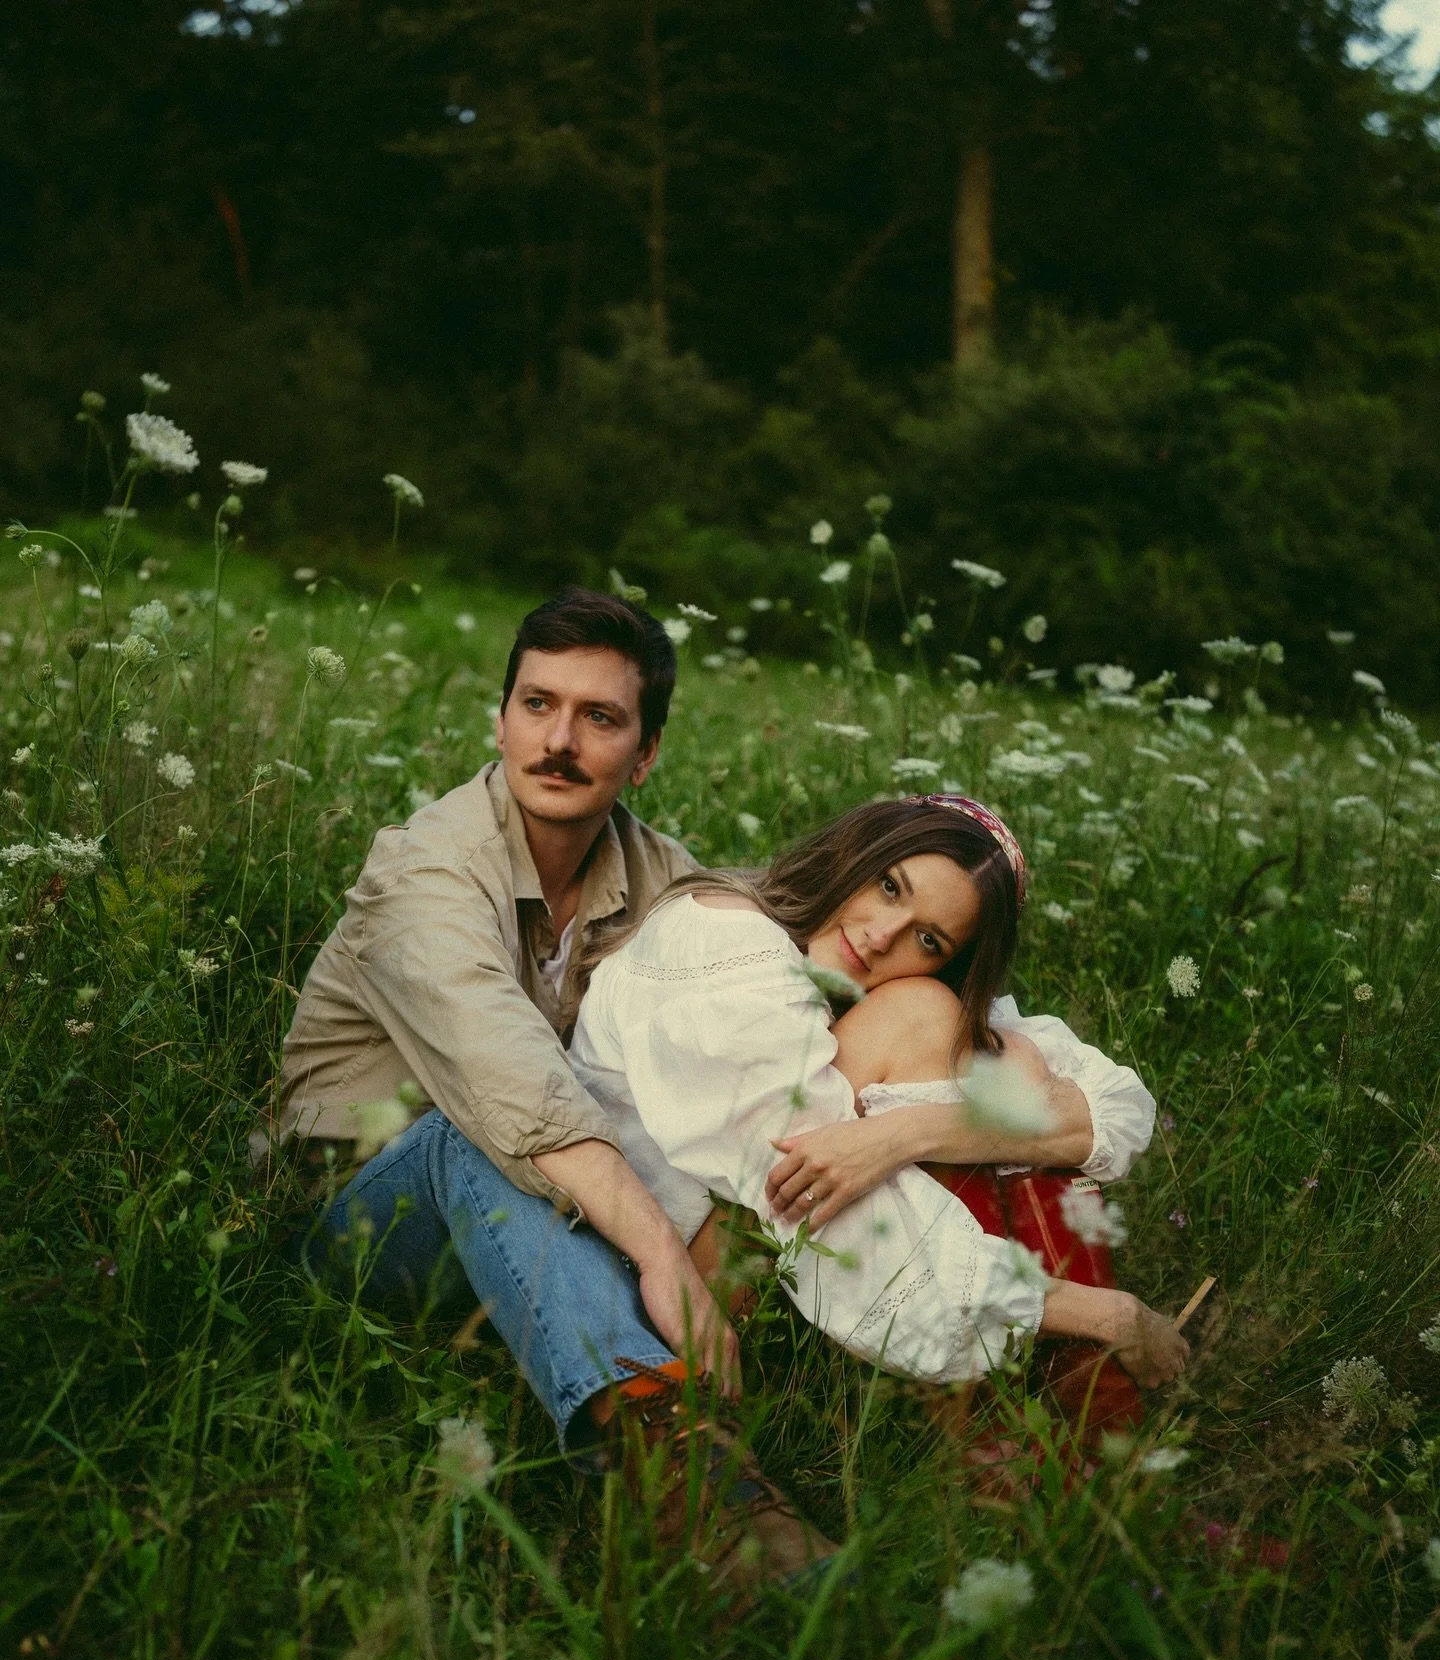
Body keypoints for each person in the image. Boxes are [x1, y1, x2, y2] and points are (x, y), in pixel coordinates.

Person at [267, 587, 832, 1594]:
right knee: (466, 1137)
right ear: (501, 718)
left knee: (767, 1126)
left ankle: (957, 1382)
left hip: (547, 1216)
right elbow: (508, 1087)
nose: (560, 740)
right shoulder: (426, 870)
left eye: (600, 718)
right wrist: (660, 1249)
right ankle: (695, 1486)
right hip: (365, 1231)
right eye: (538, 705)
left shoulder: (659, 875)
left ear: (645, 753)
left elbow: (795, 970)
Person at [570, 794, 1190, 1396]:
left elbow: (1108, 1109)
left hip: (750, 1257)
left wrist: (901, 1134)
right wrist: (1104, 1315)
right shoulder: (730, 944)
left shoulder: (832, 978)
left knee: (999, 1055)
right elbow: (825, 1210)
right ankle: (1057, 1377)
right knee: (927, 1022)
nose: (879, 936)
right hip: (664, 1298)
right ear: (858, 853)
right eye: (890, 886)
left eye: (928, 942)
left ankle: (1045, 1385)